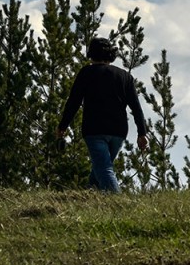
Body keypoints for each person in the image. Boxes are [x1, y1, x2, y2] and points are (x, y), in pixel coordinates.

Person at [57, 36, 149, 192]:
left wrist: (62, 126)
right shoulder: (125, 76)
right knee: (101, 168)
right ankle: (87, 199)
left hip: (95, 129)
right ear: (111, 54)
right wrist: (142, 133)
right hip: (118, 132)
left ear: (91, 54)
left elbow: (73, 102)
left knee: (104, 169)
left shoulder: (86, 73)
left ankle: (118, 205)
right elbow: (136, 107)